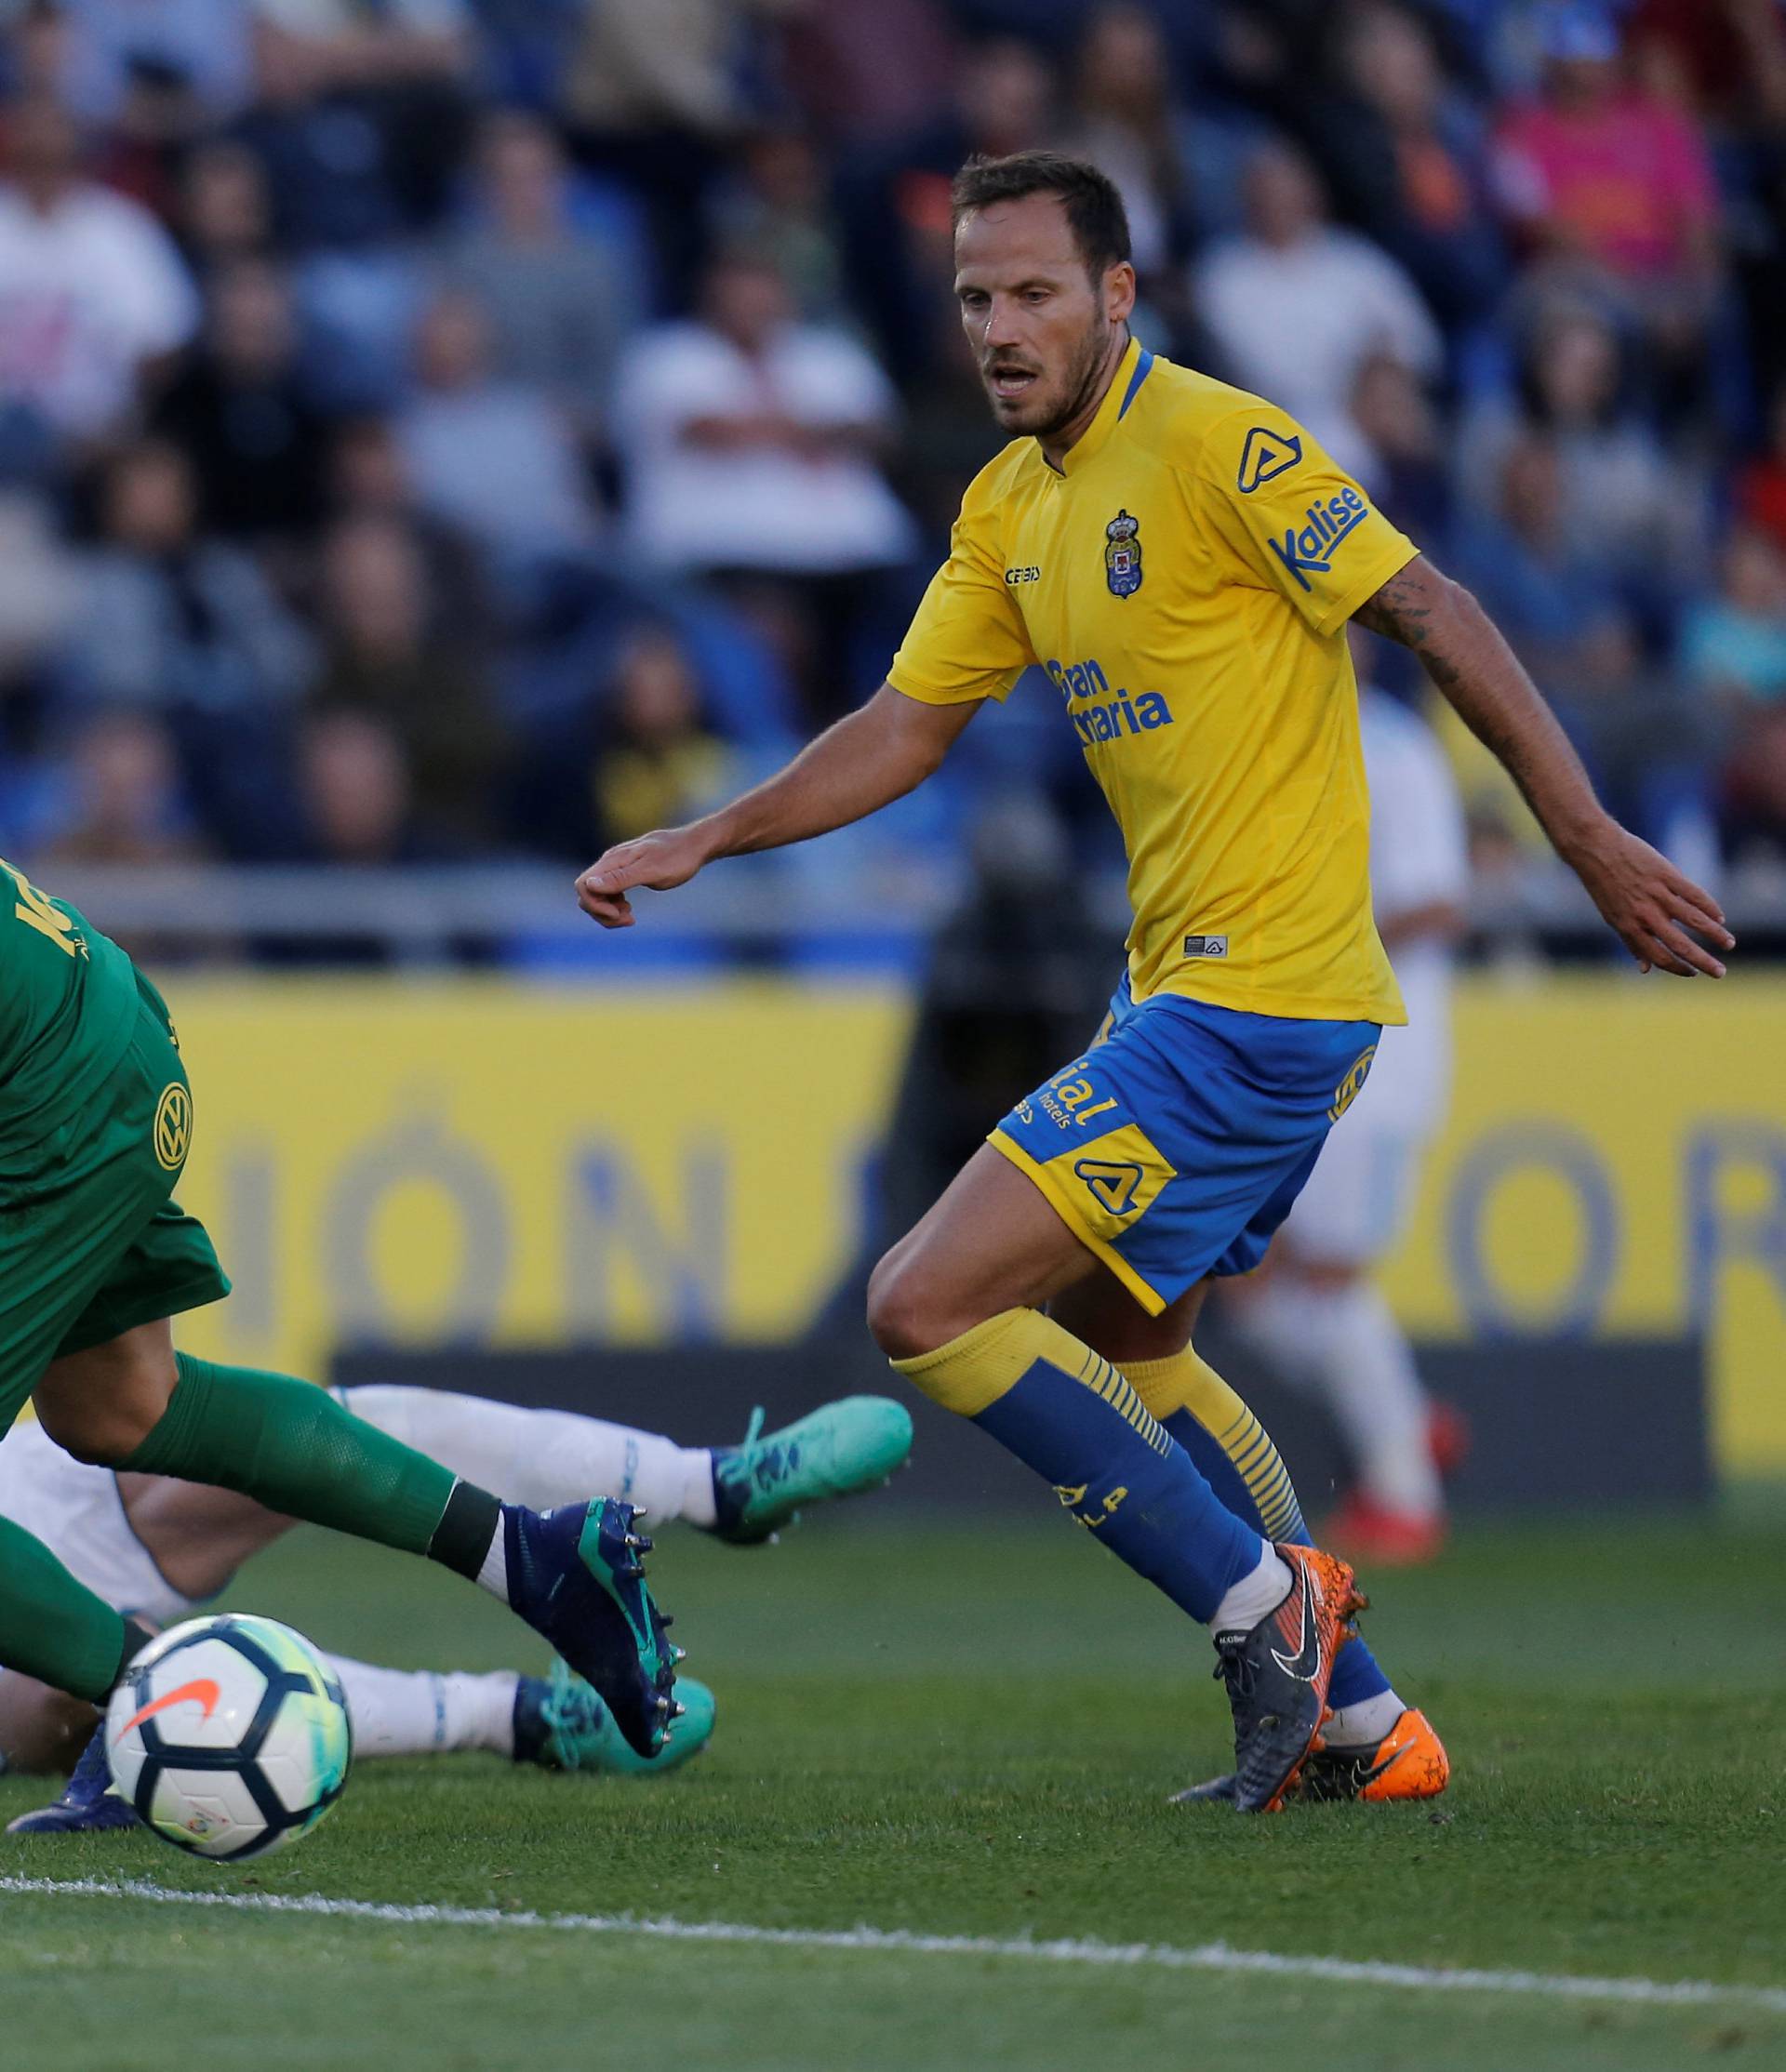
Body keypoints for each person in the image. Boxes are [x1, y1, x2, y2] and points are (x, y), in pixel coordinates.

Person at [574, 152, 1732, 1815]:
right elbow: (907, 725)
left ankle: (1268, 1608)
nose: (999, 325)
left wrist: (1590, 839)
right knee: (1130, 1331)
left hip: (1262, 993)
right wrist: (712, 830)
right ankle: (1366, 1721)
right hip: (1178, 990)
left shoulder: (1218, 440)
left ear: (1118, 296)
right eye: (976, 296)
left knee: (926, 1300)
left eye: (1036, 290)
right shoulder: (1009, 503)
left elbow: (1435, 605)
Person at [0, 857, 692, 1786]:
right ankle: (530, 1552)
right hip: (99, 1023)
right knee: (125, 1408)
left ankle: (166, 1711)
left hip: (46, 1085)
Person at [1, 1380, 913, 1826]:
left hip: (27, 1487)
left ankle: (709, 1483)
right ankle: (517, 1716)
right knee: (76, 1703)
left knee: (309, 1437)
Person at [1222, 653, 1470, 1565]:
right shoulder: (1266, 736)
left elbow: (1436, 899)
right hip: (1284, 1051)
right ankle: (1398, 1414)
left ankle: (1406, 1491)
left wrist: (1319, 951)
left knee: (1329, 1274)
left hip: (1379, 1052)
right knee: (1240, 1279)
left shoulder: (1394, 749)